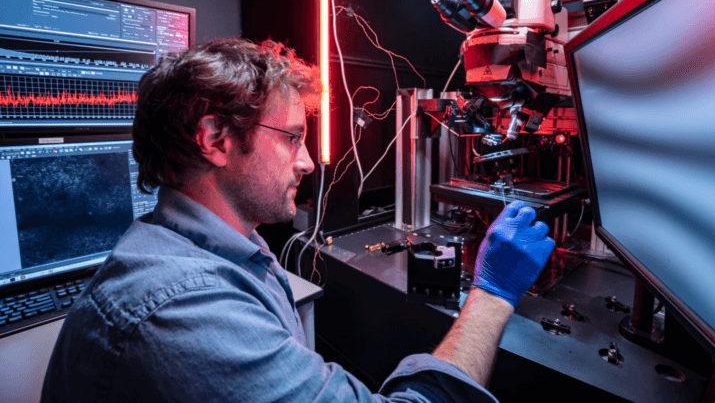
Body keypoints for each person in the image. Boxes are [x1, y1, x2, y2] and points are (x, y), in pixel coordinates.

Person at [41, 38, 555, 403]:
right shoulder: (181, 311)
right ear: (215, 139)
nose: (308, 162)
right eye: (291, 138)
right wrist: (492, 293)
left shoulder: (219, 247)